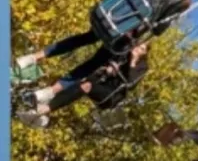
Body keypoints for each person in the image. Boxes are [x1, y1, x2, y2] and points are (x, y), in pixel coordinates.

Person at [15, 0, 198, 73]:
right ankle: (50, 93)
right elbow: (159, 29)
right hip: (124, 31)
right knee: (99, 61)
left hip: (109, 11)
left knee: (84, 38)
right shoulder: (182, 0)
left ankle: (33, 57)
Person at [17, 43, 149, 129]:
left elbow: (131, 83)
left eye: (142, 49)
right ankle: (43, 110)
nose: (138, 49)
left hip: (112, 94)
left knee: (87, 85)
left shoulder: (142, 66)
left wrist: (132, 61)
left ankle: (43, 109)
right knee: (81, 83)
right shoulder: (123, 54)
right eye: (138, 45)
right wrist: (109, 68)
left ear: (144, 53)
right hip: (101, 82)